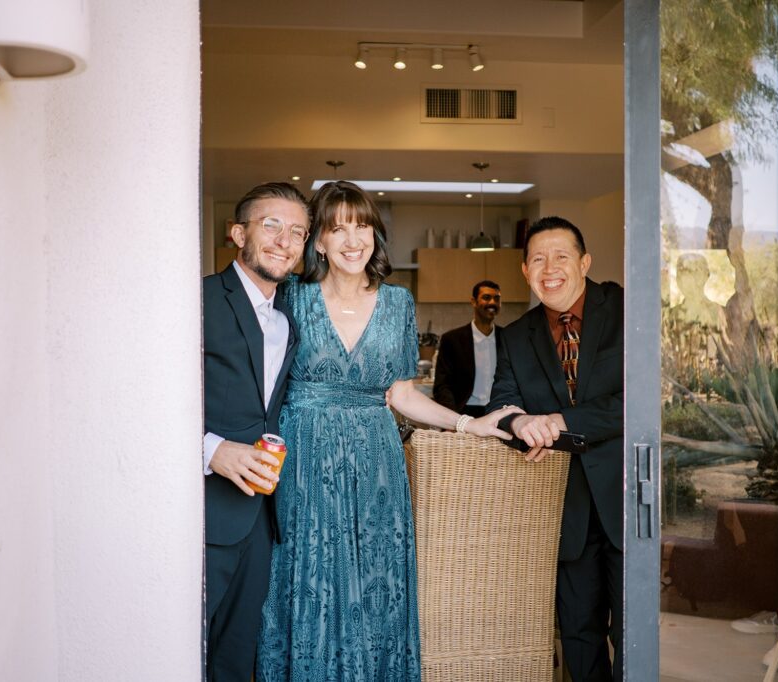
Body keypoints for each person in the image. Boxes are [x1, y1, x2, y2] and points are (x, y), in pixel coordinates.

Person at [257, 181, 520, 681]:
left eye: (363, 227)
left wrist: (469, 423)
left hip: (377, 464)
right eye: (338, 228)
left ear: (375, 236)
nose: (353, 240)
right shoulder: (290, 296)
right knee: (310, 580)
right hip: (306, 462)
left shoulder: (398, 303)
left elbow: (400, 394)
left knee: (377, 587)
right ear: (318, 242)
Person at [487, 216, 624, 682]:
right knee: (579, 637)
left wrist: (562, 421)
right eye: (538, 259)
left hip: (627, 501)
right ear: (525, 271)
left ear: (584, 262)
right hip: (562, 510)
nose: (550, 268)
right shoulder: (514, 335)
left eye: (561, 256)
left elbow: (641, 400)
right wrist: (519, 419)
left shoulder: (625, 308)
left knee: (633, 636)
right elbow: (501, 403)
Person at [202, 182, 309, 681]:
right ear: (237, 232)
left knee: (237, 656)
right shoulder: (197, 298)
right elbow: (142, 398)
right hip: (202, 511)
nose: (284, 240)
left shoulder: (288, 316)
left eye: (297, 232)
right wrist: (212, 450)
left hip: (261, 516)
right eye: (271, 225)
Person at [432, 280, 503, 417]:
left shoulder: (507, 338)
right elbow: (442, 386)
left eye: (497, 298)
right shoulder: (452, 340)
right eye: (486, 297)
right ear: (473, 301)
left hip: (499, 412)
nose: (492, 303)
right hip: (464, 413)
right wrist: (453, 419)